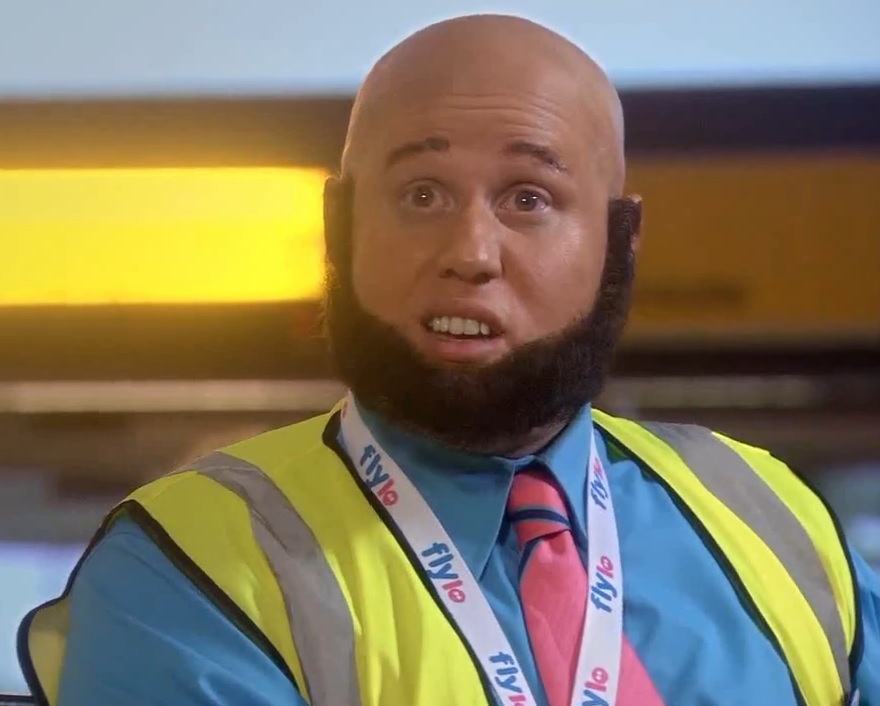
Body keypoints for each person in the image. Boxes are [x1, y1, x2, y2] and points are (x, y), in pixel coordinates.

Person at [17, 13, 879, 706]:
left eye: (529, 198)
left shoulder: (776, 521)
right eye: (421, 194)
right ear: (340, 228)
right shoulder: (191, 565)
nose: (471, 252)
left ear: (621, 241)